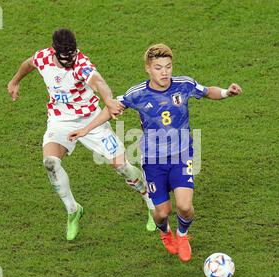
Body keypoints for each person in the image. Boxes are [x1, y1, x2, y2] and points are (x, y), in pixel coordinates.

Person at [68, 44, 242, 262]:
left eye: (168, 67)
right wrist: (84, 129)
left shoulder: (184, 85)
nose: (165, 72)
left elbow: (208, 91)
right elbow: (111, 107)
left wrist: (227, 92)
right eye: (158, 67)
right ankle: (165, 232)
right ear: (148, 69)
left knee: (185, 207)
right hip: (153, 160)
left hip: (182, 155)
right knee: (161, 212)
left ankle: (182, 235)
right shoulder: (138, 94)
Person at [7, 29, 156, 241]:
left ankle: (151, 203)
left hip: (91, 121)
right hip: (60, 121)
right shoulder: (44, 57)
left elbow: (99, 82)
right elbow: (29, 63)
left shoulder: (81, 64)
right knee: (50, 163)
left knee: (122, 167)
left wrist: (108, 100)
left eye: (72, 54)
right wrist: (15, 81)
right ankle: (73, 210)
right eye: (64, 55)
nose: (69, 59)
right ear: (54, 51)